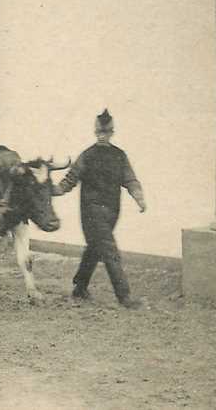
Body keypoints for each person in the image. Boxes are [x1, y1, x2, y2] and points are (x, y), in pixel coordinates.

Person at [53, 109, 147, 309]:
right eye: (100, 132)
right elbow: (70, 178)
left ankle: (80, 287)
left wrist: (139, 197)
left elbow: (130, 179)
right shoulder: (87, 155)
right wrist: (55, 190)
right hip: (91, 211)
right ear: (96, 133)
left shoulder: (119, 156)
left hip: (112, 211)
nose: (103, 135)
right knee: (109, 250)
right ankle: (125, 297)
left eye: (107, 132)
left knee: (95, 247)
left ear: (112, 133)